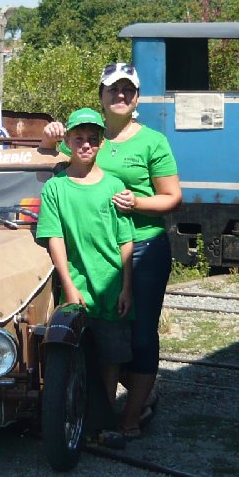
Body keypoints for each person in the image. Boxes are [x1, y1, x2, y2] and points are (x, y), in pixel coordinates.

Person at [40, 61, 180, 435]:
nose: (121, 95)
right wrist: (48, 139)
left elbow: (172, 197)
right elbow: (54, 162)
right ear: (101, 96)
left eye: (128, 90)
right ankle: (118, 406)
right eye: (113, 89)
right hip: (93, 251)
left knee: (140, 335)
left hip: (143, 248)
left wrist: (137, 203)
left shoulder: (152, 141)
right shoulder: (89, 136)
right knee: (98, 334)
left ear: (137, 98)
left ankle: (130, 418)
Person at [35, 107, 134, 448]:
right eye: (79, 138)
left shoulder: (115, 186)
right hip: (76, 288)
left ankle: (104, 424)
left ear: (101, 142)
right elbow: (55, 238)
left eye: (93, 138)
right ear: (68, 141)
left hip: (111, 287)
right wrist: (69, 285)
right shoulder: (56, 188)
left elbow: (125, 241)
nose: (86, 144)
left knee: (110, 359)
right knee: (74, 357)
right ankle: (75, 420)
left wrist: (126, 287)